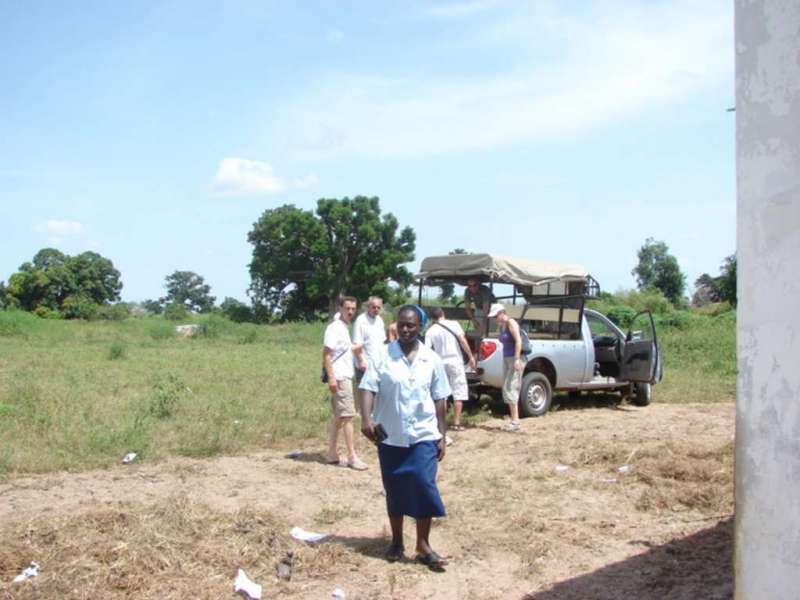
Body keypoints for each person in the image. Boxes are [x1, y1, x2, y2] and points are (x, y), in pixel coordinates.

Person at [359, 305, 451, 570]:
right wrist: (366, 419)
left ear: (419, 326)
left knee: (424, 485)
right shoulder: (382, 355)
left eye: (411, 325)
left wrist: (442, 436)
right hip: (390, 436)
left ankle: (423, 545)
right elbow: (367, 387)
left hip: (424, 434)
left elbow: (440, 399)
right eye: (401, 325)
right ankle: (397, 541)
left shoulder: (432, 359)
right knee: (395, 488)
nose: (406, 329)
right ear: (396, 326)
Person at [323, 296, 368, 470]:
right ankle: (352, 456)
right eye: (347, 308)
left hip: (345, 375)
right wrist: (332, 377)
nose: (350, 312)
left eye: (353, 309)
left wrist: (355, 351)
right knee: (348, 416)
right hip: (340, 377)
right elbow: (326, 354)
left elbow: (339, 351)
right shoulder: (334, 328)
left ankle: (332, 453)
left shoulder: (343, 328)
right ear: (340, 308)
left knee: (341, 417)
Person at [425, 306, 476, 430]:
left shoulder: (430, 331)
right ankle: (456, 423)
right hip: (455, 361)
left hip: (440, 363)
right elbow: (462, 340)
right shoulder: (454, 324)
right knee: (458, 392)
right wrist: (470, 356)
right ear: (443, 313)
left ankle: (441, 423)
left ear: (432, 318)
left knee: (443, 394)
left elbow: (427, 350)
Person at [487, 303, 523, 432]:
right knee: (507, 387)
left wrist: (517, 359)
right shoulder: (502, 325)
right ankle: (514, 419)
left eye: (496, 316)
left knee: (511, 387)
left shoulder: (511, 323)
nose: (495, 318)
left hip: (514, 358)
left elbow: (518, 341)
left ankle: (515, 421)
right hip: (507, 358)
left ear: (502, 313)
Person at [352, 296, 387, 393]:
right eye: (374, 307)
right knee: (363, 396)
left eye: (378, 307)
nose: (376, 309)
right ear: (369, 306)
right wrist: (361, 361)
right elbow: (356, 344)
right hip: (364, 365)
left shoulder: (379, 320)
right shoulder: (360, 321)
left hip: (377, 365)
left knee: (376, 396)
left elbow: (382, 342)